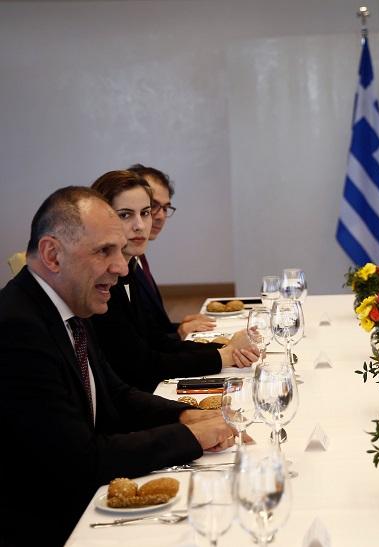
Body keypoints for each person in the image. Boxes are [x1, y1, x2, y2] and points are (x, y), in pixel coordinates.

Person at [0, 187, 239, 546]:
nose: (122, 267)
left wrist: (184, 415)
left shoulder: (67, 306)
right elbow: (79, 462)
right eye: (104, 251)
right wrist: (189, 437)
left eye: (120, 251)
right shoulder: (17, 329)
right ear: (52, 254)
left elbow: (116, 394)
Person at [89, 171, 257, 392]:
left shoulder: (128, 270)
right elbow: (140, 366)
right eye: (125, 215)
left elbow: (156, 340)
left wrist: (226, 349)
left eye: (145, 213)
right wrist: (223, 355)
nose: (140, 225)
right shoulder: (102, 283)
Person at [127, 163, 215, 339]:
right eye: (153, 205)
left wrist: (179, 328)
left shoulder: (138, 257)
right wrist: (178, 335)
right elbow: (130, 345)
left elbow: (150, 327)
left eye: (165, 208)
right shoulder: (119, 265)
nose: (160, 216)